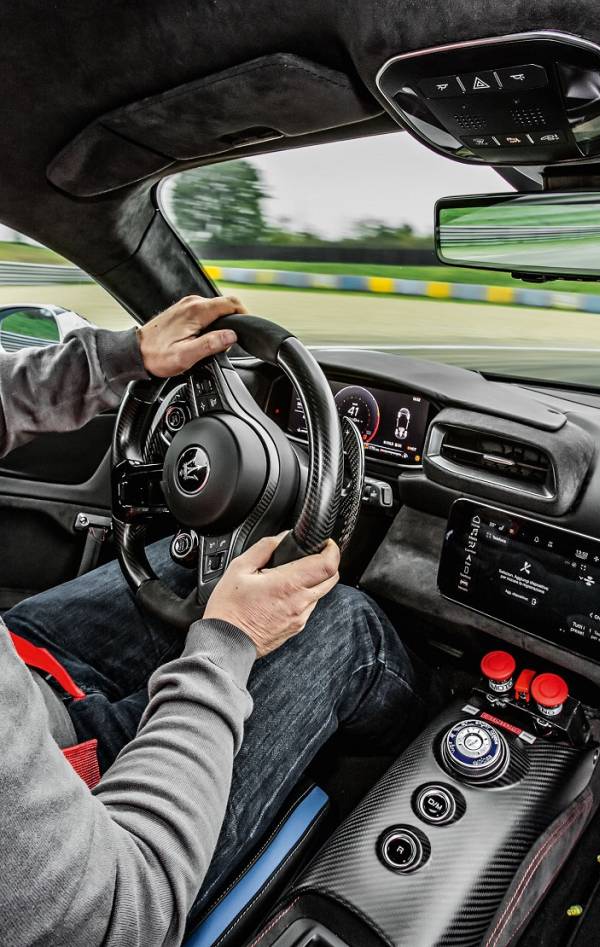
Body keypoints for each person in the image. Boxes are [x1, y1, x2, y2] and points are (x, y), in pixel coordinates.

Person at [0, 295, 424, 947]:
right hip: (90, 817)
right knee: (341, 619)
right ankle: (414, 739)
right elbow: (118, 915)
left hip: (28, 679)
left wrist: (122, 358)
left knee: (181, 557)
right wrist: (227, 644)